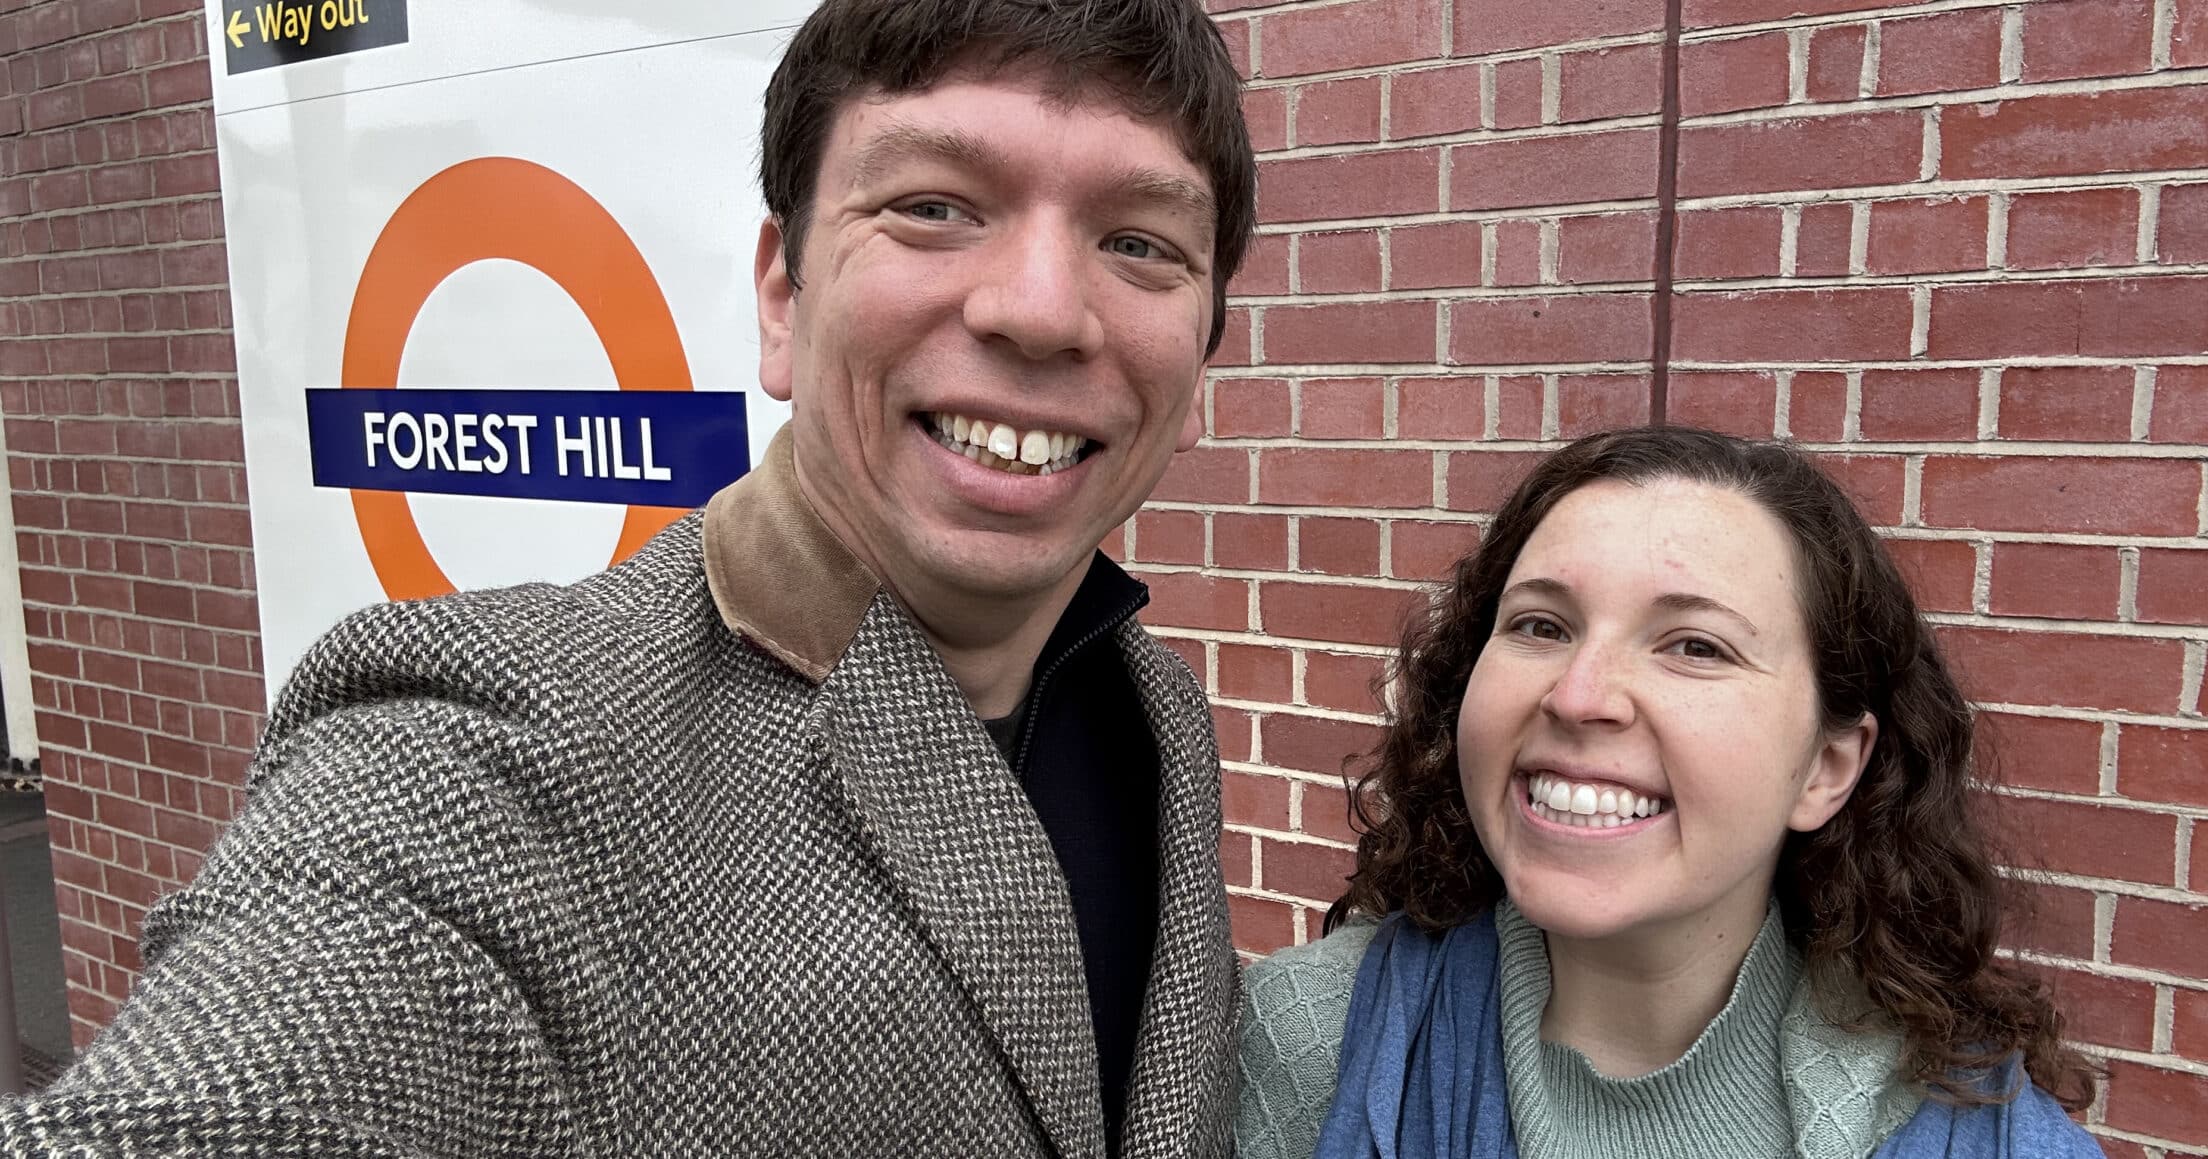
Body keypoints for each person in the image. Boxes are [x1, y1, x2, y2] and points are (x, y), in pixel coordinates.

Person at [0, 1, 1254, 1154]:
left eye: (1139, 242)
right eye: (934, 205)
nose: (1041, 308)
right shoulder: (493, 745)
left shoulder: (1163, 718)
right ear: (781, 298)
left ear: (1198, 361)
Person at [1235, 427, 2102, 1159]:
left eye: (1695, 645)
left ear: (1827, 768)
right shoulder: (1303, 1041)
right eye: (1541, 624)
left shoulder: (1988, 1135)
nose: (1579, 694)